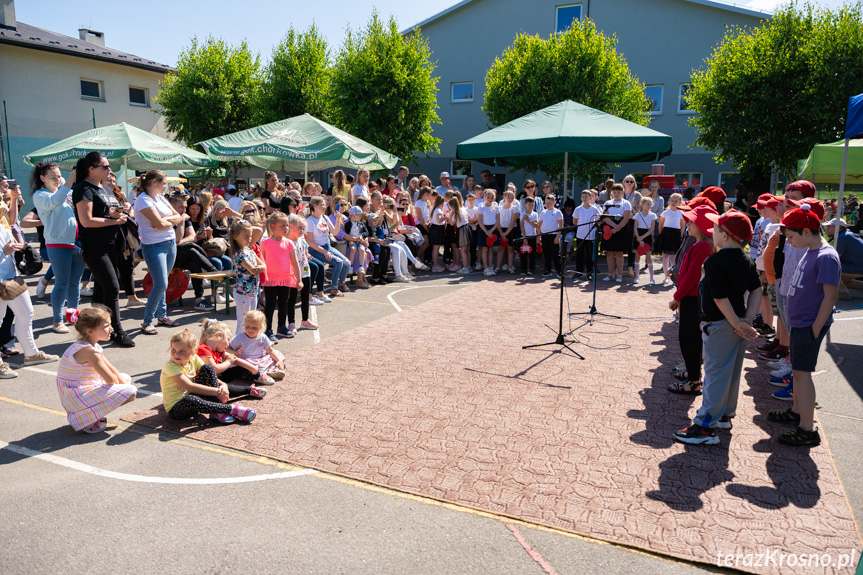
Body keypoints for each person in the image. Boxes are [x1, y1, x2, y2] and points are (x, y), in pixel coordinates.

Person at [673, 210, 761, 445]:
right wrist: (746, 320)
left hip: (722, 324)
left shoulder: (715, 260)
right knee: (730, 373)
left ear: (726, 235)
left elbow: (720, 298)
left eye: (718, 229)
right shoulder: (747, 259)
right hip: (736, 323)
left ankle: (705, 427)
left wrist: (738, 324)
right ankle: (724, 415)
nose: (714, 231)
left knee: (714, 374)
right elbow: (756, 290)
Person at [765, 204, 839, 447]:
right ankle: (796, 412)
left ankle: (807, 428)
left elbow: (830, 296)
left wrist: (815, 328)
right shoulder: (809, 250)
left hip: (809, 326)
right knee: (797, 371)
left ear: (807, 231)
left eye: (791, 237)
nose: (789, 242)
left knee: (803, 374)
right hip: (800, 324)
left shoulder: (826, 256)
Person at [72, 152, 134, 347]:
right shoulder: (83, 189)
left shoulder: (105, 190)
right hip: (95, 247)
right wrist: (112, 220)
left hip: (113, 245)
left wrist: (118, 214)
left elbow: (107, 213)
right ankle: (117, 331)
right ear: (92, 168)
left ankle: (92, 330)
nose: (109, 170)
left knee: (100, 291)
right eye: (105, 167)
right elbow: (86, 220)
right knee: (113, 287)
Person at [55, 306, 137, 434]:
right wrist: (124, 390)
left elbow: (112, 369)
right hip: (74, 398)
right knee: (130, 391)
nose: (111, 328)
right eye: (106, 326)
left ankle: (90, 415)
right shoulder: (89, 352)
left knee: (125, 378)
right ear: (90, 331)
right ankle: (83, 419)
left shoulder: (92, 346)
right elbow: (111, 379)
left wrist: (122, 384)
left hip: (76, 393)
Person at [31, 162, 86, 333]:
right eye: (52, 177)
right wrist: (69, 180)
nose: (57, 179)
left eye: (58, 176)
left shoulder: (66, 192)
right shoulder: (40, 195)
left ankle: (73, 316)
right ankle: (57, 320)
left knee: (74, 283)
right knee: (61, 282)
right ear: (42, 178)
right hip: (57, 244)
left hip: (76, 243)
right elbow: (56, 201)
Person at [161, 329, 259, 425]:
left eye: (182, 351)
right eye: (173, 350)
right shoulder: (170, 366)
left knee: (208, 368)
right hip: (177, 410)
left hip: (194, 400)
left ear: (193, 351)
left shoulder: (193, 358)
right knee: (189, 399)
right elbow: (190, 386)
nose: (176, 354)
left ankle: (218, 411)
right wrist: (218, 392)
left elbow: (209, 373)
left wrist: (223, 385)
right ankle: (231, 409)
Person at [667, 205, 716, 395]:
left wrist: (677, 297)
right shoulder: (701, 243)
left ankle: (694, 381)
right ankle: (692, 372)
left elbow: (693, 276)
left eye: (692, 221)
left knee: (689, 339)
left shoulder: (703, 246)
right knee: (690, 339)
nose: (687, 223)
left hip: (692, 298)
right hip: (691, 297)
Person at [134, 170, 183, 336]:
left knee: (163, 283)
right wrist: (165, 222)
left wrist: (164, 222)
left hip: (169, 243)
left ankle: (162, 316)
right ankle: (147, 320)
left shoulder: (160, 198)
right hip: (153, 246)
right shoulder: (143, 200)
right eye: (164, 183)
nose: (166, 186)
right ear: (154, 182)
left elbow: (179, 216)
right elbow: (161, 223)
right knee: (161, 284)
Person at [168, 195, 216, 311]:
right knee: (190, 250)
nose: (184, 210)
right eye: (181, 207)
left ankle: (199, 299)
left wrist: (180, 243)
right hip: (167, 256)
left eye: (185, 207)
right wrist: (180, 222)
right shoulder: (167, 218)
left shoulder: (185, 217)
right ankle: (214, 271)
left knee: (194, 263)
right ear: (172, 207)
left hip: (179, 252)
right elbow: (178, 238)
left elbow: (192, 237)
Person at [197, 318, 275, 385]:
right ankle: (248, 390)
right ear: (218, 336)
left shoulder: (218, 349)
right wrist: (229, 362)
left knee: (242, 369)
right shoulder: (203, 349)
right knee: (225, 388)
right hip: (207, 382)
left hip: (216, 378)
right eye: (227, 339)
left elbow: (235, 359)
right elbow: (215, 369)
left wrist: (253, 368)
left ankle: (258, 376)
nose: (228, 344)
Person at [260, 212, 299, 338]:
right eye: (282, 225)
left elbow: (295, 262)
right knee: (270, 305)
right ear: (273, 226)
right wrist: (261, 278)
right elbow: (262, 261)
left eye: (287, 225)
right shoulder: (265, 243)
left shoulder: (289, 243)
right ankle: (268, 329)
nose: (286, 228)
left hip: (285, 278)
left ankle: (282, 326)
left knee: (284, 303)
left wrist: (299, 280)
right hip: (270, 279)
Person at [306, 196, 352, 296]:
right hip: (315, 249)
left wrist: (338, 219)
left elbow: (335, 232)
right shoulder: (309, 220)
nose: (325, 207)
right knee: (338, 262)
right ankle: (334, 288)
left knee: (347, 263)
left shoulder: (325, 217)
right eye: (322, 204)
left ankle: (341, 282)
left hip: (327, 246)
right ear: (315, 206)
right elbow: (309, 242)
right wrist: (324, 252)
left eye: (325, 204)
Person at [229, 218, 266, 335]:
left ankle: (249, 343)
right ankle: (237, 344)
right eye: (246, 236)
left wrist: (246, 225)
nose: (249, 239)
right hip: (243, 292)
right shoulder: (238, 253)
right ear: (235, 236)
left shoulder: (249, 249)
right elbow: (254, 269)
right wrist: (260, 268)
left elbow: (263, 265)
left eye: (250, 236)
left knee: (252, 319)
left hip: (253, 291)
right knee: (243, 321)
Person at [230, 310, 286, 380]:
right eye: (247, 326)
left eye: (254, 327)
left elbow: (270, 351)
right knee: (240, 367)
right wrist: (234, 353)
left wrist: (279, 360)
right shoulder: (239, 337)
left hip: (259, 360)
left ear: (261, 327)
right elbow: (227, 348)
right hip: (246, 361)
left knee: (277, 354)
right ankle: (261, 373)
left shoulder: (263, 337)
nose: (250, 329)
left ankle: (271, 370)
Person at [286, 214, 318, 333]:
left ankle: (305, 320)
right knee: (292, 299)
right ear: (291, 226)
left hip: (305, 271)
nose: (302, 231)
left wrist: (307, 253)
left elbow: (305, 250)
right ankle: (291, 323)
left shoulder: (302, 239)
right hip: (293, 274)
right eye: (299, 228)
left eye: (303, 228)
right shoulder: (287, 242)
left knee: (305, 297)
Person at [824, 217, 863, 299]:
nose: (827, 229)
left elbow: (834, 259)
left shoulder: (842, 238)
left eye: (829, 227)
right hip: (858, 266)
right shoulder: (847, 234)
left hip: (857, 267)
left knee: (829, 268)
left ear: (837, 228)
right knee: (844, 281)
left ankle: (842, 293)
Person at [602, 183, 632, 282]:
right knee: (609, 252)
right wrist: (614, 226)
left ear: (622, 193)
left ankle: (619, 275)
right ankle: (610, 274)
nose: (616, 194)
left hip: (622, 229)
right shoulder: (607, 203)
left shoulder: (626, 203)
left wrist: (618, 227)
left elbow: (626, 218)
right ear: (611, 193)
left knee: (619, 253)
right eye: (614, 192)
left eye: (618, 192)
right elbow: (605, 217)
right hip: (609, 228)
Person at [572, 190, 602, 276]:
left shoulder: (594, 209)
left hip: (591, 235)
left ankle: (589, 272)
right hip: (580, 235)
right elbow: (574, 221)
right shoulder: (578, 209)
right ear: (581, 198)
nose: (584, 198)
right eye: (583, 197)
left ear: (590, 198)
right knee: (579, 253)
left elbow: (598, 221)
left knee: (589, 254)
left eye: (586, 197)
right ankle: (579, 271)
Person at [658, 193, 684, 284]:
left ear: (679, 202)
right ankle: (666, 276)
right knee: (665, 256)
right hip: (666, 234)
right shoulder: (665, 212)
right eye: (672, 201)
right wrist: (662, 235)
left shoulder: (681, 213)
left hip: (675, 235)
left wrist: (678, 236)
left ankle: (675, 275)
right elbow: (661, 225)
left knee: (673, 257)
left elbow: (682, 226)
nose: (673, 202)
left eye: (676, 201)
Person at [621, 175, 643, 278]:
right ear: (623, 183)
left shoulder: (637, 195)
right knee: (620, 244)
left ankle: (630, 267)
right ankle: (619, 269)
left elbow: (640, 209)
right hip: (620, 221)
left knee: (631, 244)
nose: (629, 183)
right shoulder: (620, 193)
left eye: (631, 181)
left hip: (632, 221)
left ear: (634, 183)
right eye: (627, 181)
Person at [632, 197, 658, 284]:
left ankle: (651, 278)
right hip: (638, 235)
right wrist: (638, 238)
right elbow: (635, 229)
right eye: (647, 204)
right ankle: (637, 277)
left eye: (650, 204)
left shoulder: (653, 215)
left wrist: (641, 238)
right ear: (642, 205)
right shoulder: (637, 215)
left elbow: (651, 229)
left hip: (647, 236)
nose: (649, 206)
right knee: (637, 256)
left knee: (649, 257)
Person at [539, 195, 564, 278]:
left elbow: (560, 225)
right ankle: (548, 270)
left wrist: (558, 236)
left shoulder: (557, 212)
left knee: (555, 254)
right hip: (545, 235)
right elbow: (540, 224)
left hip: (554, 236)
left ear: (554, 203)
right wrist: (539, 235)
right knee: (546, 254)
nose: (547, 205)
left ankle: (559, 271)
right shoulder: (543, 212)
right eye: (546, 203)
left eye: (549, 203)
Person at [476, 189, 500, 276]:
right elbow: (480, 221)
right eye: (488, 197)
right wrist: (486, 232)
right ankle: (485, 268)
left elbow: (497, 220)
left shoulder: (496, 206)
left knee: (491, 250)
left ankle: (490, 267)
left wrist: (492, 230)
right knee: (485, 249)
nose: (490, 199)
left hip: (493, 229)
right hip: (484, 229)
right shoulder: (482, 207)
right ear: (484, 197)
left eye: (492, 197)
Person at [497, 190, 519, 273]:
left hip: (511, 230)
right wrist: (501, 233)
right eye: (508, 197)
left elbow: (513, 222)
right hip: (501, 230)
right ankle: (498, 267)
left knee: (510, 249)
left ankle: (510, 267)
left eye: (512, 197)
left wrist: (506, 233)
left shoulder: (515, 208)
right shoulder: (499, 208)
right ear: (504, 197)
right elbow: (497, 221)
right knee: (500, 248)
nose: (510, 199)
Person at [520, 197, 540, 275]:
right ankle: (523, 269)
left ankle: (531, 269)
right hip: (525, 236)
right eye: (529, 205)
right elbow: (521, 226)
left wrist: (528, 220)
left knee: (532, 254)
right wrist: (524, 238)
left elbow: (536, 225)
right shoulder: (523, 214)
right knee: (524, 253)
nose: (531, 206)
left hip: (533, 236)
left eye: (532, 205)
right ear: (525, 205)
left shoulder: (535, 214)